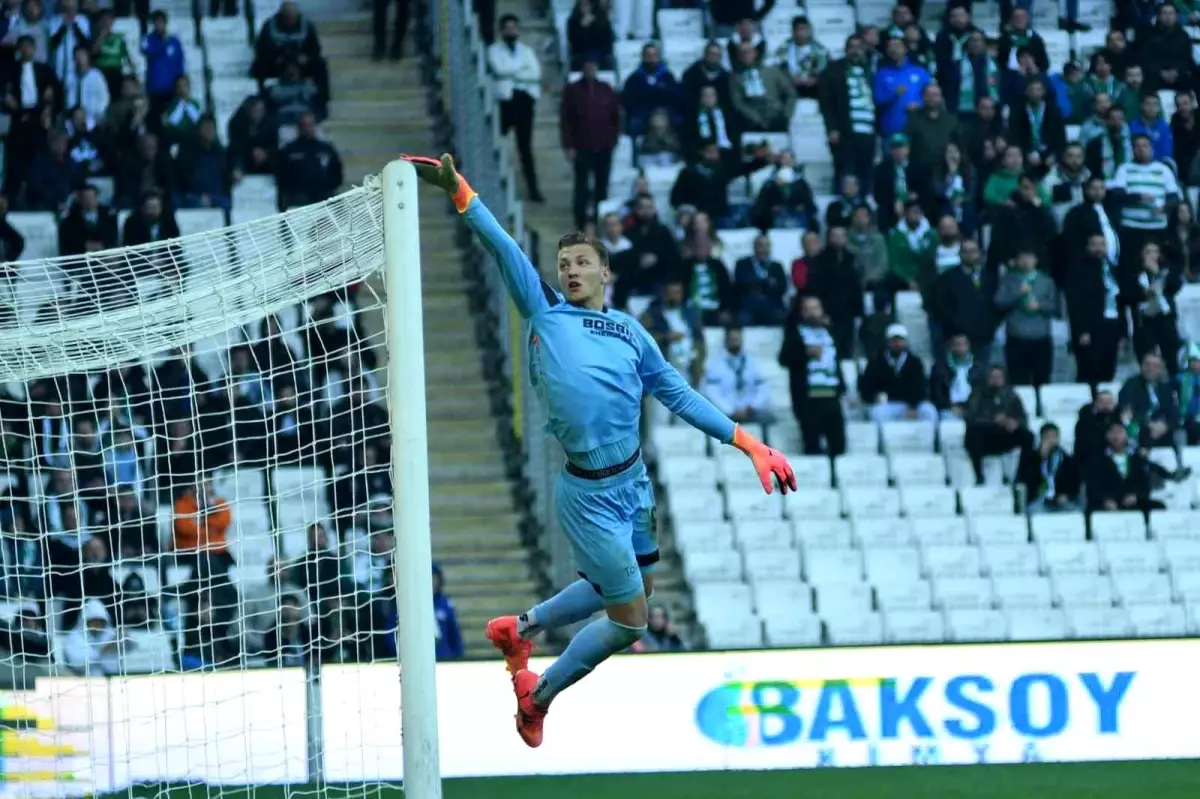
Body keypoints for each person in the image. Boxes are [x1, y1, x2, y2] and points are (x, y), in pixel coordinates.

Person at [402, 153, 795, 748]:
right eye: (564, 265)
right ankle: (536, 698)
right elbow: (506, 249)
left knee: (638, 586)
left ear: (605, 272)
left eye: (582, 262)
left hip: (633, 483)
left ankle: (521, 627)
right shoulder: (545, 314)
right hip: (586, 491)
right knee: (628, 620)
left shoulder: (633, 333)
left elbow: (679, 395)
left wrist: (747, 442)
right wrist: (461, 190)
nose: (571, 271)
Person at [779, 295, 847, 455]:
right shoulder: (795, 333)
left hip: (831, 396)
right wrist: (805, 353)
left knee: (838, 444)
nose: (812, 313)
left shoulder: (830, 333)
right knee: (813, 445)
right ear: (802, 312)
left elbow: (836, 363)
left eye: (815, 308)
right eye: (808, 309)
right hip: (808, 398)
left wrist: (843, 389)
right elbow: (783, 358)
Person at [487, 14, 543, 203]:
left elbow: (535, 72)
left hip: (525, 100)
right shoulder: (494, 50)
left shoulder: (526, 51)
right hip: (506, 102)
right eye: (508, 28)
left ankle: (534, 190)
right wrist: (521, 72)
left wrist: (513, 74)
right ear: (501, 31)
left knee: (525, 147)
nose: (512, 31)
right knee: (495, 140)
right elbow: (499, 69)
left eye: (514, 27)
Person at [965, 365, 1034, 485]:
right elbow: (971, 417)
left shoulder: (1012, 396)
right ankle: (979, 477)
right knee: (973, 433)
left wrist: (1013, 423)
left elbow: (1023, 418)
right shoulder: (977, 395)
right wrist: (994, 420)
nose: (996, 380)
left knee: (1028, 436)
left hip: (1004, 435)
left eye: (999, 377)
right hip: (985, 437)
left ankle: (1021, 477)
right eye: (993, 377)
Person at [859, 323, 938, 424]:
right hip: (887, 404)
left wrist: (913, 405)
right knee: (877, 414)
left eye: (900, 340)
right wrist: (875, 397)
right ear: (888, 342)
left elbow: (920, 386)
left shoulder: (915, 362)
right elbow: (867, 386)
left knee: (929, 411)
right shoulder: (876, 362)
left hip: (910, 404)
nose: (897, 344)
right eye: (894, 340)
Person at [703, 326, 774, 424]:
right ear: (726, 341)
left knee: (768, 417)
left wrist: (752, 406)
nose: (736, 342)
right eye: (733, 339)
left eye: (738, 339)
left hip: (750, 410)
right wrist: (730, 411)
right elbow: (712, 393)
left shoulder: (752, 362)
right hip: (726, 412)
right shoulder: (714, 364)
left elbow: (763, 388)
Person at [1017, 422, 1081, 513]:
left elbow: (1075, 482)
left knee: (1074, 511)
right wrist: (1040, 459)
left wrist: (1067, 496)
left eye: (1054, 437)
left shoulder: (1067, 460)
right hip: (1039, 500)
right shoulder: (1031, 459)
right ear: (1041, 439)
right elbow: (1024, 479)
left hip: (1061, 500)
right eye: (1047, 437)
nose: (1051, 440)